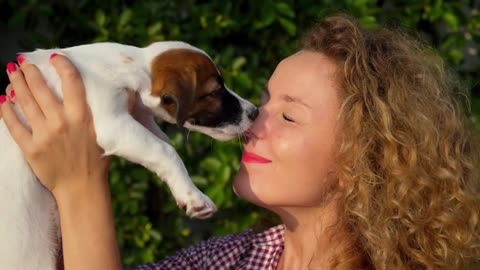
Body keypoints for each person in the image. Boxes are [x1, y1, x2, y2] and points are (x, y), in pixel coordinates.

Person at [1, 14, 479, 270]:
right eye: (266, 100)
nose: (253, 121)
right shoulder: (226, 259)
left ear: (363, 160)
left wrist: (81, 186)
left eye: (289, 115)